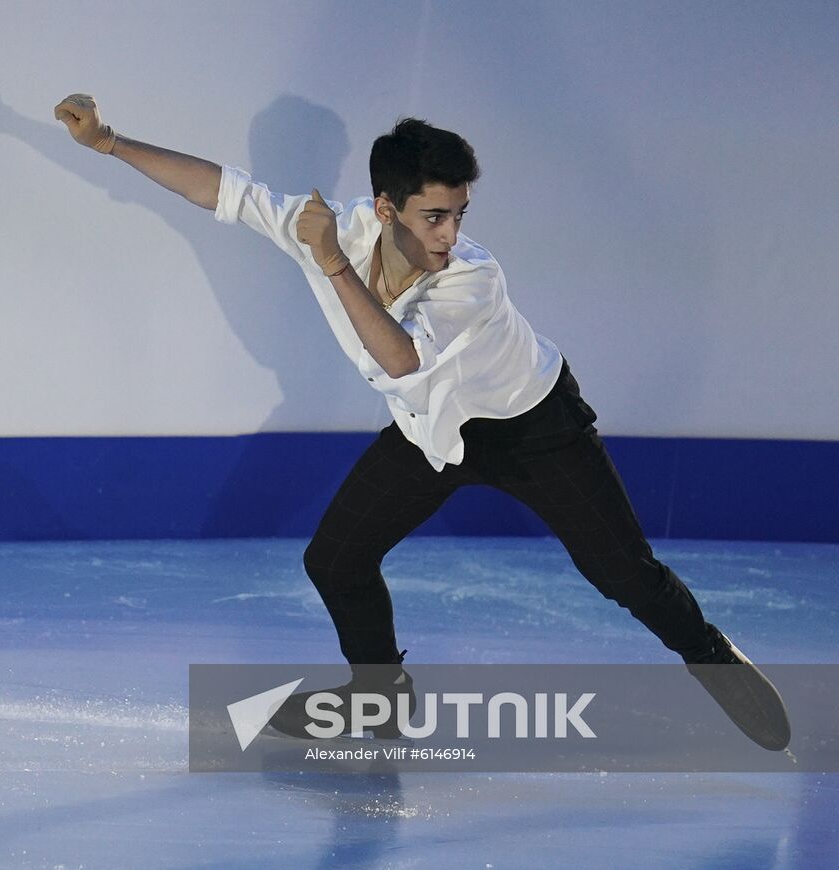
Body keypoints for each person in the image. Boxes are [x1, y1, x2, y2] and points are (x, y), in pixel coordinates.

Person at [52, 94, 790, 751]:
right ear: (384, 207)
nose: (448, 232)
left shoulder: (472, 276)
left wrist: (333, 268)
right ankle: (380, 700)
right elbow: (223, 191)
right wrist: (110, 142)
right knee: (333, 560)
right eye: (434, 215)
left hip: (535, 429)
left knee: (623, 575)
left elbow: (403, 359)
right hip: (434, 432)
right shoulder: (336, 230)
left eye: (459, 213)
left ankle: (711, 656)